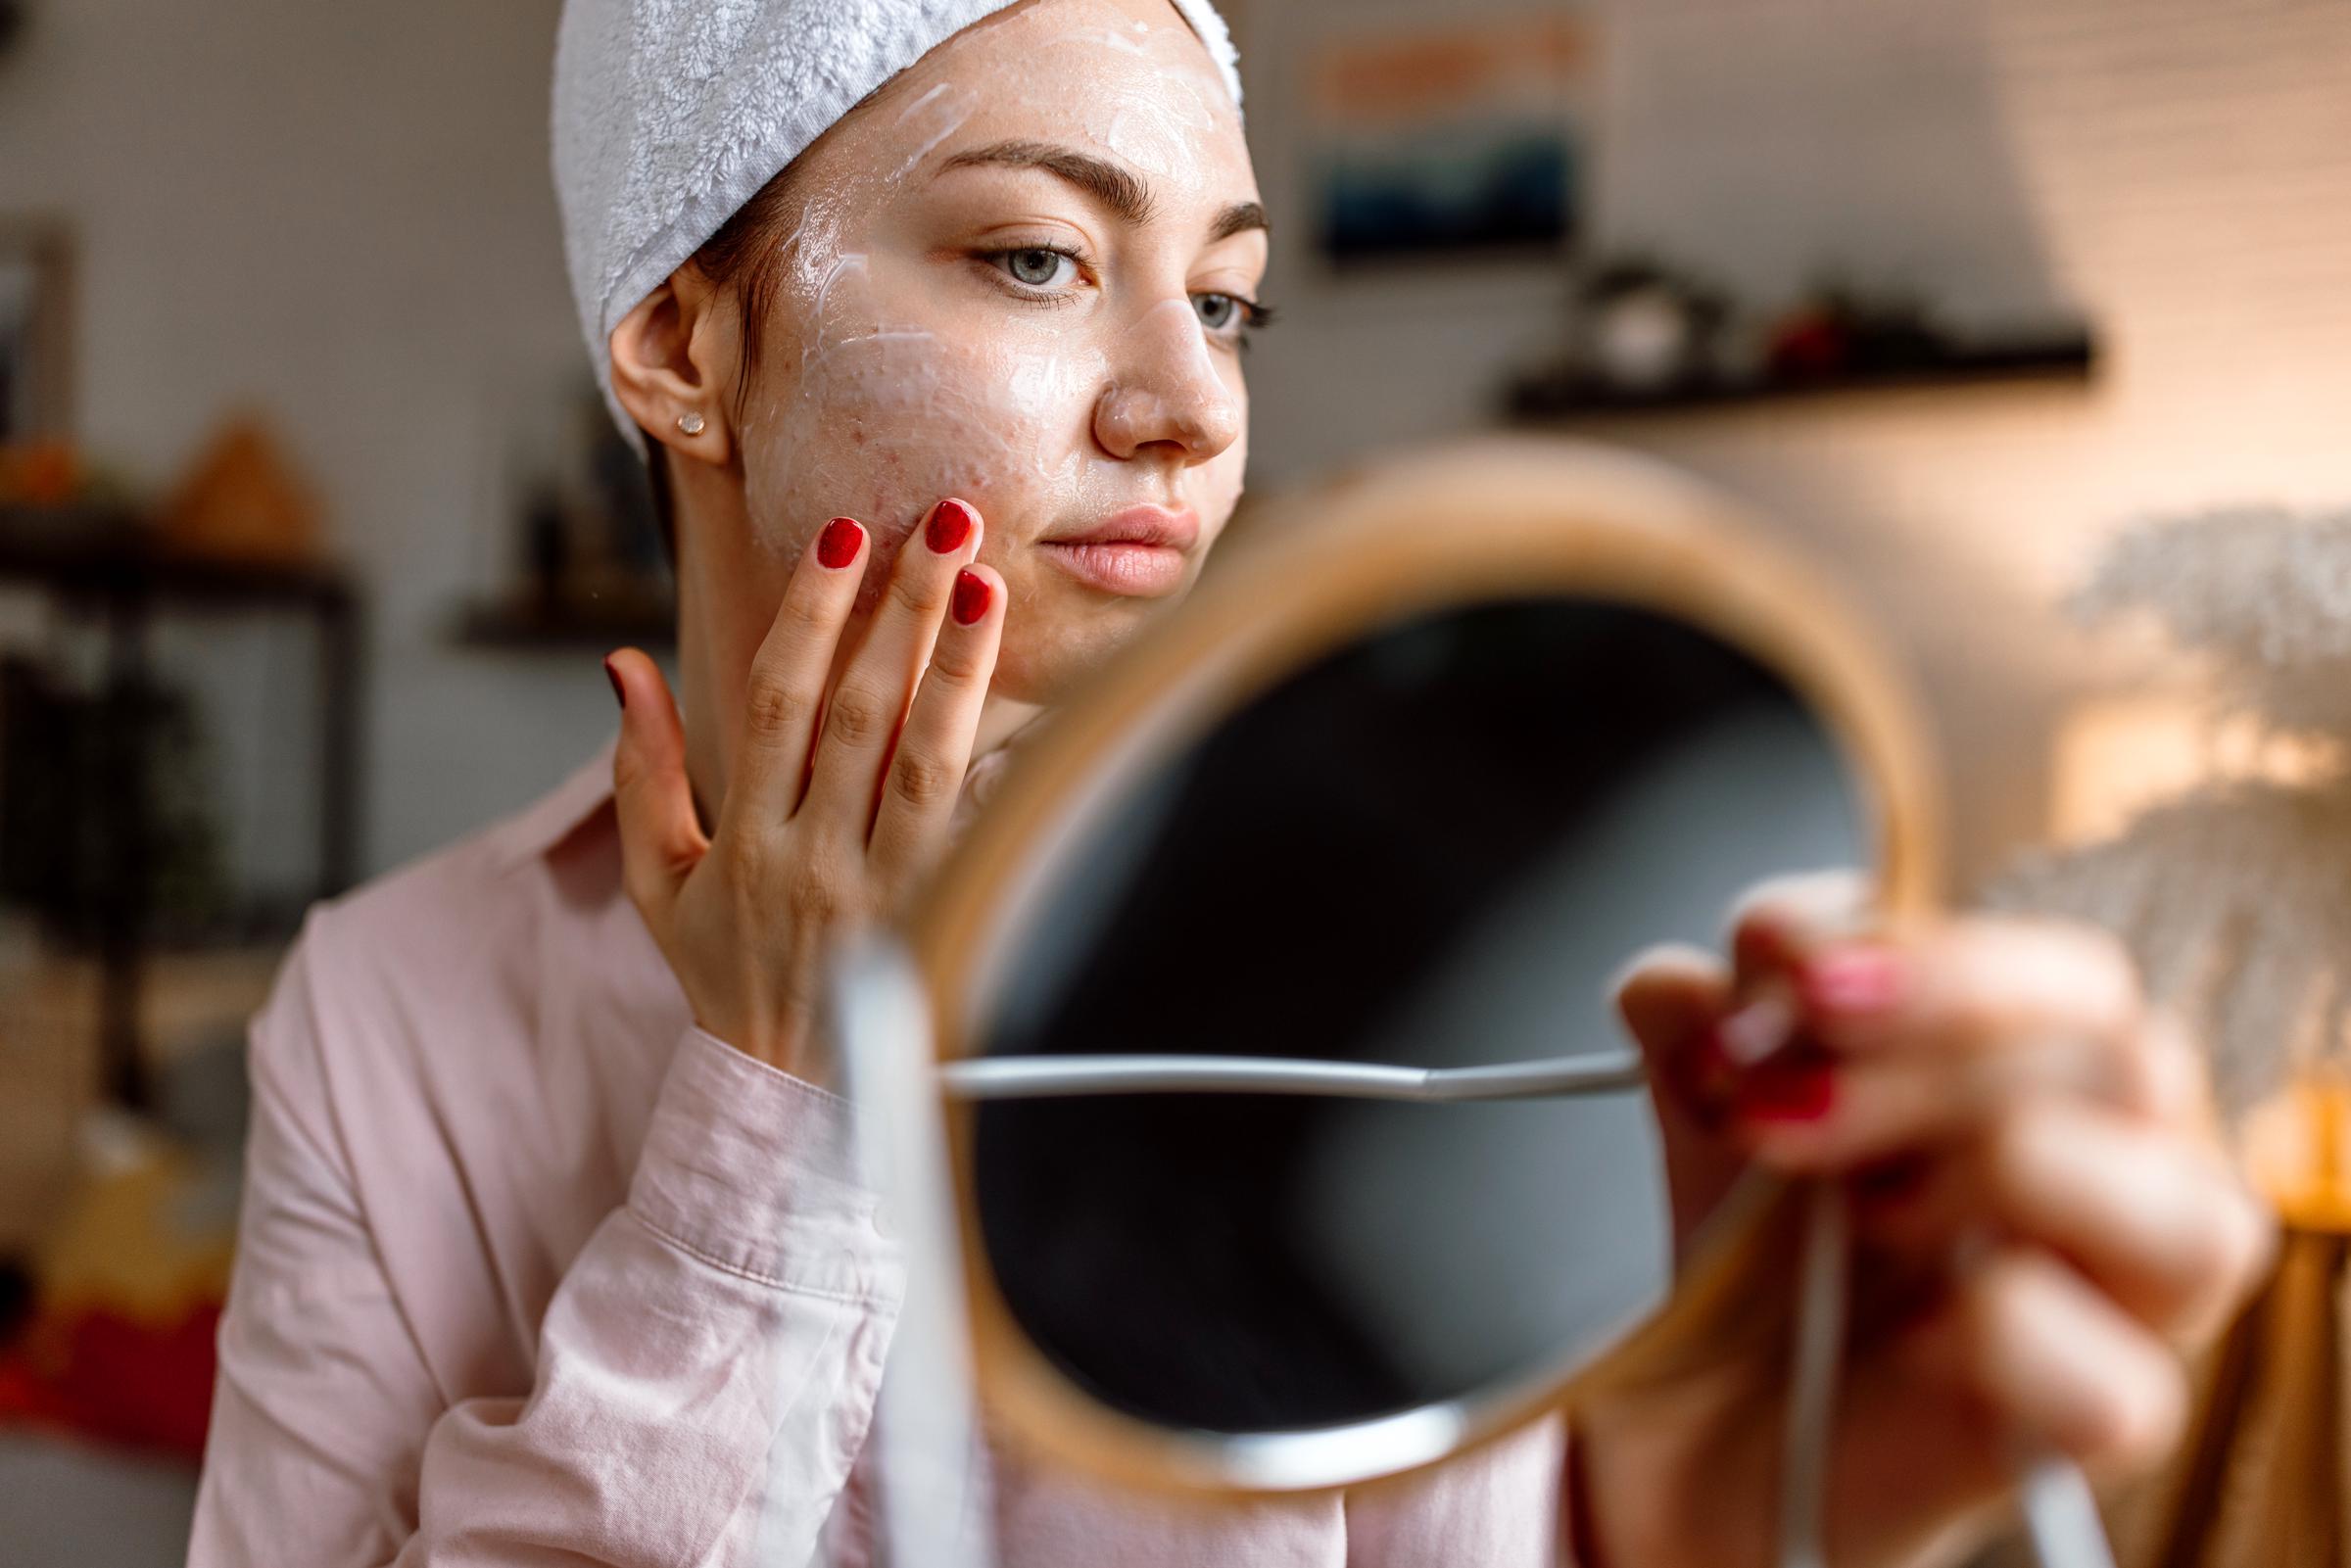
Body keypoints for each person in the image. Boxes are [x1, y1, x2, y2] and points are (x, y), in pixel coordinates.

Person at [187, 1, 2273, 1563]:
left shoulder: (1435, 961)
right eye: (1034, 257)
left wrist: (1677, 1530)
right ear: (681, 345)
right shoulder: (387, 1019)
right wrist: (771, 1106)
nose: (1192, 405)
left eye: (1227, 297)